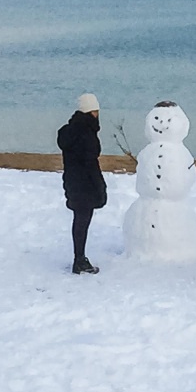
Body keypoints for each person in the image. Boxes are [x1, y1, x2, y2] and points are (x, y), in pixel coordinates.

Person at [57, 93, 107, 274]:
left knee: (79, 219)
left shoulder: (68, 132)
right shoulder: (87, 135)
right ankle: (79, 260)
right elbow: (91, 164)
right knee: (83, 221)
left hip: (72, 181)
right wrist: (100, 186)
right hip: (86, 184)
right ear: (92, 112)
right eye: (96, 111)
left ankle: (79, 257)